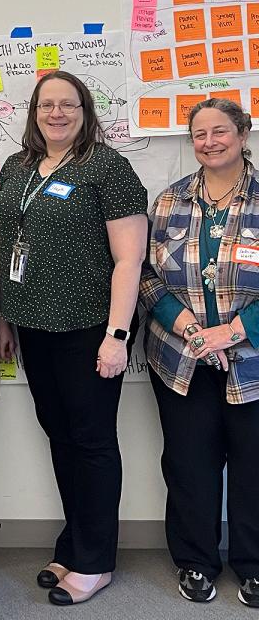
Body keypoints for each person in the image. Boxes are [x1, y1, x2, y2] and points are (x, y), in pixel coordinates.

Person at [0, 70, 147, 605]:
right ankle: (75, 541)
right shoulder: (17, 167)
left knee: (93, 442)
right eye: (46, 105)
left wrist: (117, 334)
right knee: (60, 436)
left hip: (88, 331)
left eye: (68, 105)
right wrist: (4, 320)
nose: (56, 113)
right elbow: (9, 245)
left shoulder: (108, 167)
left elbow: (130, 259)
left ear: (85, 112)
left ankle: (96, 560)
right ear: (33, 112)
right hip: (31, 327)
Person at [140, 98, 259, 608]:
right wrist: (188, 326)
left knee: (255, 465)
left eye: (220, 132)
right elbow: (144, 279)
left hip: (252, 359)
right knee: (189, 464)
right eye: (199, 135)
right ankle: (196, 561)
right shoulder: (169, 202)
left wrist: (233, 331)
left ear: (242, 134)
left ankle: (254, 566)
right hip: (180, 357)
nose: (209, 142)